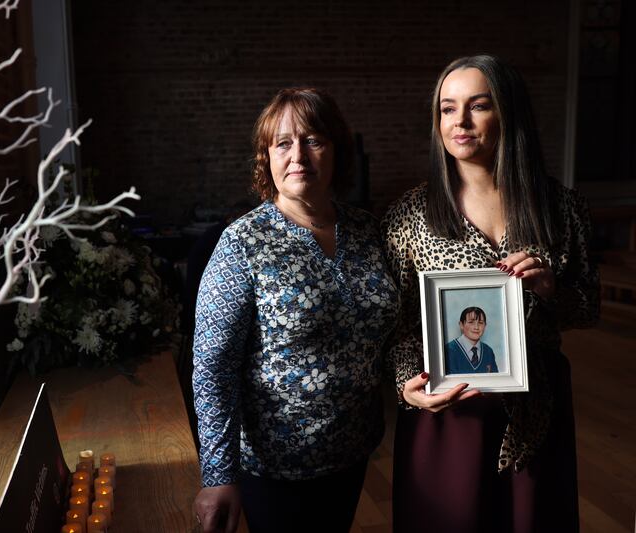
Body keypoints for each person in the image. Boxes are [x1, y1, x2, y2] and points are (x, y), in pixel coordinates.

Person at [382, 55, 599, 532]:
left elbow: (588, 307)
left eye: (477, 106)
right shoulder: (410, 215)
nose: (459, 122)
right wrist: (407, 388)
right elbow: (396, 325)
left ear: (508, 113)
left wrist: (550, 289)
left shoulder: (561, 208)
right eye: (446, 108)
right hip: (449, 414)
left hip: (537, 409)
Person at [192, 87, 399, 533]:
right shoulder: (241, 244)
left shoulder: (367, 229)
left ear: (337, 151)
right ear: (266, 158)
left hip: (355, 450)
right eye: (283, 143)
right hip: (275, 469)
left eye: (314, 140)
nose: (298, 155)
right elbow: (213, 368)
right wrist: (218, 475)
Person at [444, 306, 499, 374]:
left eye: (480, 323)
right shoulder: (449, 350)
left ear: (485, 326)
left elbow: (495, 381)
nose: (476, 327)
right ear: (461, 325)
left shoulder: (488, 351)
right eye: (471, 322)